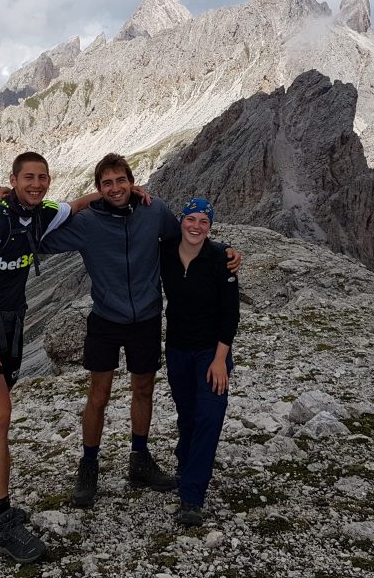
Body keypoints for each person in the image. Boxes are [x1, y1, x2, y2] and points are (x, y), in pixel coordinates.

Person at [40, 153, 241, 508]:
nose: (115, 189)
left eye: (121, 181)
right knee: (98, 395)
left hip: (146, 318)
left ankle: (139, 458)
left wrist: (226, 252)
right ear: (98, 188)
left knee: (143, 390)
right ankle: (88, 465)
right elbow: (41, 235)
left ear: (132, 182)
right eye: (107, 184)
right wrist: (84, 201)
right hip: (105, 318)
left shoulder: (153, 211)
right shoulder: (87, 222)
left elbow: (187, 234)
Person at [0, 151, 98, 564]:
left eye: (42, 178)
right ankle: (2, 523)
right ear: (13, 180)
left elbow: (76, 205)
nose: (36, 184)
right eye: (28, 178)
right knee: (0, 416)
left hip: (10, 326)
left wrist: (124, 191)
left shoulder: (43, 212)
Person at [159, 197, 239, 527]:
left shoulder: (220, 258)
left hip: (211, 352)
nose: (196, 226)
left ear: (210, 227)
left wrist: (220, 360)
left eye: (203, 221)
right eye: (191, 219)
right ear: (181, 222)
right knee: (188, 415)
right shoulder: (164, 249)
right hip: (177, 348)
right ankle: (184, 462)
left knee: (210, 415)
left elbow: (230, 314)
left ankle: (192, 495)